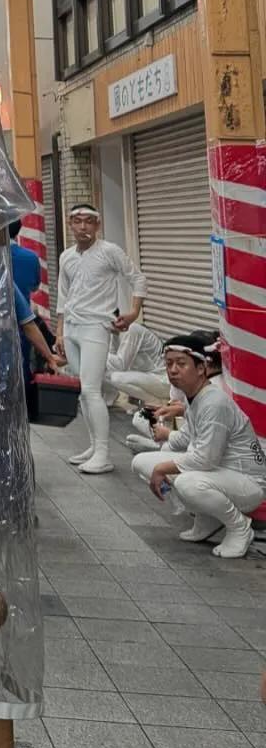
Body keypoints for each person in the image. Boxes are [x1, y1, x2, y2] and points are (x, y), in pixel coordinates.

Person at [131, 336, 266, 557]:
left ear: (201, 368)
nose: (173, 370)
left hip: (248, 483)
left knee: (187, 482)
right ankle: (208, 517)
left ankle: (239, 527)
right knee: (141, 462)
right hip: (219, 474)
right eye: (169, 364)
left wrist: (162, 468)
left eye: (181, 363)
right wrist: (161, 435)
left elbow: (205, 459)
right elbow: (185, 439)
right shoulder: (194, 398)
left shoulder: (214, 402)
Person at [56, 202, 146, 474]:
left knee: (92, 390)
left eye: (88, 221)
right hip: (71, 327)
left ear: (97, 225)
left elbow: (138, 279)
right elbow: (63, 294)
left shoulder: (110, 252)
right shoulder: (66, 257)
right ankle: (94, 446)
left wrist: (133, 313)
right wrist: (59, 332)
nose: (83, 226)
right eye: (77, 221)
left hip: (97, 326)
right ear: (70, 224)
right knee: (83, 392)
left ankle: (104, 453)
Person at [104, 319, 170, 410]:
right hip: (151, 379)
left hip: (163, 381)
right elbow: (114, 362)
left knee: (116, 377)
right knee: (104, 369)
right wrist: (114, 335)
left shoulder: (133, 329)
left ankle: (156, 404)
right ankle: (109, 400)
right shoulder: (117, 332)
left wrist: (98, 353)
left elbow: (120, 365)